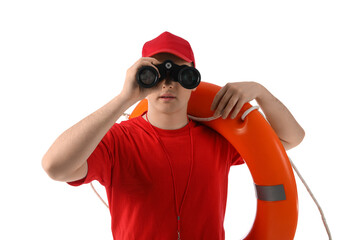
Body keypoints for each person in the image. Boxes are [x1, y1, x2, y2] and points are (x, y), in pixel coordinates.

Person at [42, 31, 305, 240]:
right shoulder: (117, 141)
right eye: (154, 74)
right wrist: (124, 98)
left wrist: (261, 92)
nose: (168, 83)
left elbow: (292, 138)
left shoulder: (219, 140)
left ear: (194, 81)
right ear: (140, 77)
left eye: (181, 74)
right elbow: (55, 167)